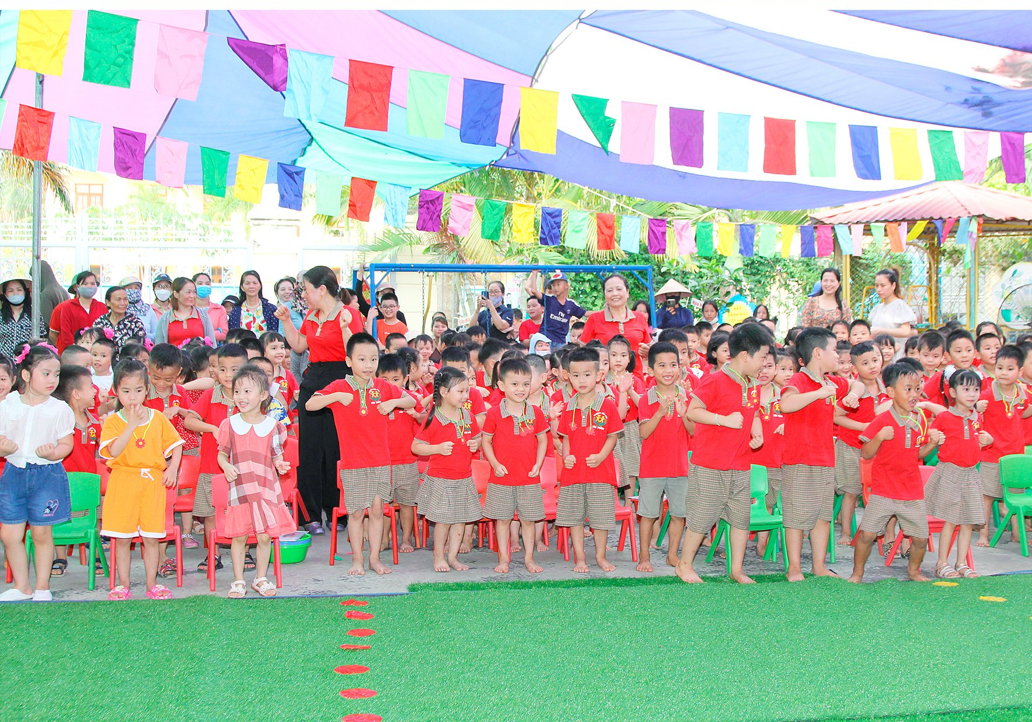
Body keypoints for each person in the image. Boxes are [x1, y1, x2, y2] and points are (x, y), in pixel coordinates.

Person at [307, 333, 413, 576]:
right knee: (355, 513)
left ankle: (374, 559)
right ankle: (357, 559)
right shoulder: (339, 386)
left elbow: (411, 402)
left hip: (380, 461)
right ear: (349, 361)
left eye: (373, 359)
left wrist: (394, 403)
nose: (368, 365)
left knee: (377, 511)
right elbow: (310, 405)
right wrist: (336, 397)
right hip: (352, 463)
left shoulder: (383, 387)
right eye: (362, 359)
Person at [675, 324, 770, 585]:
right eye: (762, 357)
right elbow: (693, 411)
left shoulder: (752, 385)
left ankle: (736, 569)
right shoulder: (715, 380)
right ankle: (684, 565)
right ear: (745, 356)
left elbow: (753, 414)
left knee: (740, 519)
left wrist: (757, 433)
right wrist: (723, 419)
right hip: (710, 464)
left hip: (740, 464)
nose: (765, 364)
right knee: (702, 517)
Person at [275, 267, 363, 536]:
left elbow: (355, 353)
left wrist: (345, 328)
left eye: (306, 289)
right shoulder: (311, 316)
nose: (303, 294)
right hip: (314, 379)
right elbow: (299, 346)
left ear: (322, 289)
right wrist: (287, 321)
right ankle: (309, 515)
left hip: (342, 378)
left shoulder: (349, 314)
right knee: (310, 449)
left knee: (337, 448)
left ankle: (337, 510)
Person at [779, 327, 862, 582]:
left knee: (822, 516)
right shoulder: (799, 380)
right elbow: (786, 404)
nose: (838, 356)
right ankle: (794, 568)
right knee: (796, 517)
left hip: (825, 459)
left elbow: (857, 384)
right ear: (817, 353)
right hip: (799, 460)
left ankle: (818, 565)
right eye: (834, 350)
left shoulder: (832, 381)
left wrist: (852, 396)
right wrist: (817, 394)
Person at [849, 362, 943, 583]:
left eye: (917, 389)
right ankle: (857, 573)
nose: (914, 394)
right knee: (867, 534)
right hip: (883, 490)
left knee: (920, 538)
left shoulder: (920, 420)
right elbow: (866, 453)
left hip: (911, 490)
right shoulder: (882, 421)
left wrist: (933, 444)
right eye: (907, 389)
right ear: (891, 392)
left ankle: (913, 571)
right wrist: (880, 437)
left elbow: (918, 452)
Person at [99, 359, 184, 600]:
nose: (132, 397)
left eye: (138, 390)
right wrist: (132, 425)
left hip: (152, 483)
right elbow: (112, 452)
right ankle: (123, 584)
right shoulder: (113, 421)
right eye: (126, 391)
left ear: (147, 389)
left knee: (151, 537)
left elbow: (176, 445)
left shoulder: (157, 417)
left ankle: (151, 583)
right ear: (116, 391)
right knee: (122, 538)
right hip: (123, 482)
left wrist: (172, 469)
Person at [0, 344, 73, 602]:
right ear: (26, 375)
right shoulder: (8, 404)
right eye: (46, 373)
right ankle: (22, 586)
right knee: (9, 534)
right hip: (14, 473)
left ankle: (42, 586)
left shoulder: (60, 409)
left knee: (42, 532)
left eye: (56, 374)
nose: (52, 380)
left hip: (47, 475)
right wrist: (3, 448)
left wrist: (53, 453)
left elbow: (66, 444)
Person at [217, 365, 295, 598]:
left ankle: (260, 578)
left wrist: (280, 464)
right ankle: (238, 580)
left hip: (265, 489)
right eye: (237, 391)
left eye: (247, 391)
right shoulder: (230, 424)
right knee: (239, 536)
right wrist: (226, 466)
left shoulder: (273, 426)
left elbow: (276, 455)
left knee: (264, 536)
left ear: (262, 395)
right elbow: (222, 454)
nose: (241, 397)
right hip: (240, 490)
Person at [556, 346, 624, 573]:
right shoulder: (568, 407)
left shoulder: (607, 405)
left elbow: (613, 436)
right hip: (573, 474)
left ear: (598, 375)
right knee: (574, 519)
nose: (581, 380)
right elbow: (565, 438)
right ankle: (580, 558)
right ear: (568, 376)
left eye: (587, 374)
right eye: (576, 375)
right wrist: (566, 456)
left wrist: (601, 456)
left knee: (601, 519)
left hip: (600, 473)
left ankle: (601, 556)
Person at [183, 344, 248, 569]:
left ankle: (245, 552)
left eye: (234, 369)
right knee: (210, 514)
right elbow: (189, 420)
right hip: (211, 466)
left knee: (242, 512)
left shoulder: (250, 396)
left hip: (242, 468)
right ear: (215, 370)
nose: (228, 375)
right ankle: (214, 553)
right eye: (222, 369)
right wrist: (212, 428)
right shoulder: (210, 395)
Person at [413, 366, 483, 572]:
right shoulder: (434, 418)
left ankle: (452, 557)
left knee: (459, 521)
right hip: (441, 479)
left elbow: (478, 437)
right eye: (460, 391)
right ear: (443, 392)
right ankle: (439, 557)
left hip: (463, 478)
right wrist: (437, 448)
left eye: (467, 391)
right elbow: (415, 446)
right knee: (442, 522)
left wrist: (476, 444)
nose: (465, 396)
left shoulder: (468, 416)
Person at [481, 357, 548, 574]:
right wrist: (495, 463)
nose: (521, 389)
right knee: (503, 520)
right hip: (501, 478)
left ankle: (529, 558)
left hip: (529, 477)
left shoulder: (536, 412)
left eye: (526, 384)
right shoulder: (494, 413)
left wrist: (538, 464)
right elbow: (486, 441)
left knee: (528, 520)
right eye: (515, 384)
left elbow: (543, 440)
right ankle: (503, 559)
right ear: (502, 385)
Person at [924, 369, 991, 579]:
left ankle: (961, 563)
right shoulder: (945, 416)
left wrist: (987, 441)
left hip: (971, 473)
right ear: (953, 392)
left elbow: (977, 441)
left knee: (968, 522)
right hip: (951, 472)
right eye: (966, 389)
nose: (972, 394)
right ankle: (942, 563)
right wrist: (933, 436)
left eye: (976, 389)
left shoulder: (977, 417)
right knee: (950, 520)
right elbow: (930, 436)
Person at [636, 342, 693, 573]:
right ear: (651, 370)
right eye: (662, 365)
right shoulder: (646, 399)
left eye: (673, 365)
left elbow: (693, 431)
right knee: (648, 514)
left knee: (679, 513)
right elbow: (644, 432)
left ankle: (672, 555)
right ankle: (644, 556)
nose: (668, 370)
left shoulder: (687, 396)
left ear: (680, 367)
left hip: (680, 466)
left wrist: (684, 414)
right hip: (652, 467)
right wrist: (659, 412)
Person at [977, 344, 1032, 547]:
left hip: (1015, 456)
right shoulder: (986, 395)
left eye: (1010, 369)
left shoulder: (1023, 393)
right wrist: (976, 407)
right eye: (1000, 368)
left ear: (1020, 372)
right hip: (992, 454)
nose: (1004, 372)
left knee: (1016, 496)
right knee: (987, 497)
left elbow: (1024, 412)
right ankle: (983, 535)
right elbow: (970, 414)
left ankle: (1017, 534)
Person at [832, 342, 886, 545]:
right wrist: (864, 426)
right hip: (851, 447)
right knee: (851, 492)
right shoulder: (853, 391)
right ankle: (846, 532)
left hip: (877, 449)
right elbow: (836, 416)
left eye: (875, 360)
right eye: (865, 363)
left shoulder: (887, 389)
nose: (872, 366)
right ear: (854, 368)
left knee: (880, 492)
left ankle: (880, 533)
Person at [376, 354, 424, 553]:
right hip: (383, 462)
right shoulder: (376, 401)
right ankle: (384, 538)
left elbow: (423, 418)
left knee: (407, 503)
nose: (390, 384)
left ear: (405, 379)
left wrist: (416, 415)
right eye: (384, 379)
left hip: (407, 461)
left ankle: (406, 539)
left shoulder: (409, 399)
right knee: (383, 505)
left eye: (395, 379)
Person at [580, 274, 653, 362]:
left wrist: (647, 353)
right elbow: (583, 352)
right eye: (609, 290)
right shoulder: (594, 318)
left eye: (619, 289)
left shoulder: (640, 317)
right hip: (604, 371)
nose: (615, 293)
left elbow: (649, 349)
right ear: (605, 295)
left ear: (627, 292)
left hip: (636, 371)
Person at [607, 335, 644, 496]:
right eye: (613, 355)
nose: (618, 359)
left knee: (630, 468)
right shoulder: (603, 381)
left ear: (629, 358)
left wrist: (630, 390)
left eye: (623, 355)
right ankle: (613, 501)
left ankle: (629, 502)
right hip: (608, 430)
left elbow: (642, 406)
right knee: (611, 466)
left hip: (629, 428)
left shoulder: (635, 380)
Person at [525, 270, 585, 351]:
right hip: (546, 338)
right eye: (553, 286)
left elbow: (585, 313)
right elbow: (532, 290)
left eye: (558, 285)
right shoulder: (548, 300)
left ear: (566, 286)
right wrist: (534, 273)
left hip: (560, 340)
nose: (555, 288)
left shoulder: (570, 304)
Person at [51, 271, 105, 354]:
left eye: (92, 283)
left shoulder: (102, 307)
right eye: (85, 284)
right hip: (72, 353)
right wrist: (77, 350)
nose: (89, 286)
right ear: (77, 287)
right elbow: (65, 334)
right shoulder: (66, 307)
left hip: (96, 354)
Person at [156, 277, 215, 347]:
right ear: (176, 294)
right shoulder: (165, 319)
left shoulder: (203, 316)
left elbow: (212, 344)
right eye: (188, 292)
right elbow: (159, 348)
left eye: (194, 292)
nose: (192, 296)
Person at [868, 268, 916, 353]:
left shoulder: (900, 306)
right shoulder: (877, 308)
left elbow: (905, 331)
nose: (879, 289)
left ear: (893, 285)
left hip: (897, 353)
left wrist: (881, 331)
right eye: (876, 285)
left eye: (883, 285)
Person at [0, 276, 48, 358]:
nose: (15, 293)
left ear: (25, 292)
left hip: (28, 360)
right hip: (5, 361)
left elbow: (42, 337)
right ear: (5, 294)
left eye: (19, 290)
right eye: (10, 291)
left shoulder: (34, 314)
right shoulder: (1, 316)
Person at [93, 286, 147, 352]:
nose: (122, 303)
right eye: (118, 300)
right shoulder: (100, 322)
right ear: (108, 302)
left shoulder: (135, 322)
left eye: (125, 299)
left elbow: (140, 347)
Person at [228, 271, 280, 335]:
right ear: (242, 287)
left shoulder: (271, 309)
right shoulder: (236, 311)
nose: (251, 286)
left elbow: (275, 334)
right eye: (247, 283)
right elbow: (233, 335)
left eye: (255, 283)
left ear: (260, 286)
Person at [118, 276, 158, 342]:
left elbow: (157, 334)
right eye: (129, 288)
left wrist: (142, 336)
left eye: (136, 288)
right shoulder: (118, 309)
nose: (133, 291)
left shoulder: (147, 309)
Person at [192, 273, 229, 342]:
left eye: (207, 283)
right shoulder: (188, 308)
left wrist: (199, 334)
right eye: (200, 283)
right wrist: (214, 333)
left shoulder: (219, 309)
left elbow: (224, 334)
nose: (204, 286)